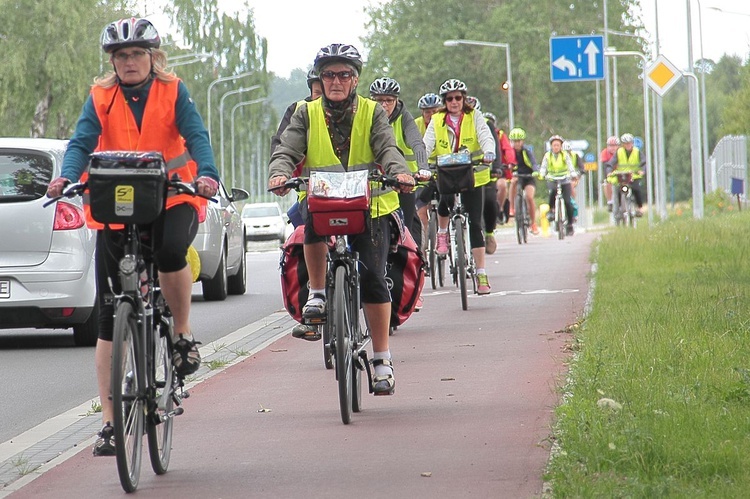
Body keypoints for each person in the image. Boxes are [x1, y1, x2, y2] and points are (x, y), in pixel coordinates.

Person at [46, 18, 219, 456]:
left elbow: (196, 136)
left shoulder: (173, 90)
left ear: (152, 58)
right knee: (107, 320)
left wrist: (208, 175)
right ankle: (108, 424)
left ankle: (180, 333)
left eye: (136, 54)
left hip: (173, 197)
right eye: (120, 56)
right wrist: (65, 178)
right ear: (113, 62)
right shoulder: (101, 96)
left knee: (169, 251)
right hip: (117, 204)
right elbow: (82, 142)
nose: (128, 62)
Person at [268, 43, 414, 395]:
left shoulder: (372, 112)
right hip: (323, 199)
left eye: (344, 74)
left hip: (371, 205)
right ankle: (317, 294)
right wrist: (279, 173)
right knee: (310, 225)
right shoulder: (305, 112)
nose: (336, 81)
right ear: (321, 78)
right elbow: (287, 147)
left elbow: (387, 147)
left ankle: (382, 359)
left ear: (355, 79)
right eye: (329, 74)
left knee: (374, 279)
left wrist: (400, 172)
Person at [423, 79, 496, 294]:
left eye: (457, 97)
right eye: (449, 98)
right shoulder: (437, 119)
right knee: (444, 201)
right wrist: (422, 164)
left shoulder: (475, 116)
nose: (454, 101)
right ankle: (443, 233)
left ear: (463, 99)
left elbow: (485, 136)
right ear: (444, 102)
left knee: (475, 223)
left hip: (473, 175)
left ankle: (481, 273)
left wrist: (489, 152)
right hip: (447, 173)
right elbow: (427, 143)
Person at [271, 67, 324, 341]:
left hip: (356, 196)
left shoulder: (358, 110)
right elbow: (282, 145)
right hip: (311, 194)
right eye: (319, 87)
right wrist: (279, 174)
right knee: (308, 243)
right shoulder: (299, 111)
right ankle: (312, 313)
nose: (325, 92)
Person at [369, 76, 427, 249]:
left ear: (396, 100)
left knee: (407, 234)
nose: (384, 105)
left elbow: (417, 143)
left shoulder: (404, 118)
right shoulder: (366, 116)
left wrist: (423, 167)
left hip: (404, 183)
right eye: (379, 100)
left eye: (389, 100)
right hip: (375, 185)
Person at [480, 111, 511, 254]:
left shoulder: (489, 126)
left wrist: (498, 167)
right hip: (463, 174)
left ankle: (489, 233)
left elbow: (499, 150)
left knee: (490, 200)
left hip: (487, 172)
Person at [539, 135, 577, 236]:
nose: (556, 147)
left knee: (568, 202)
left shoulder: (565, 155)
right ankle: (551, 210)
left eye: (558, 145)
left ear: (561, 146)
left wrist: (573, 174)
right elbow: (543, 166)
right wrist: (542, 174)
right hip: (552, 179)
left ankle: (570, 224)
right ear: (551, 146)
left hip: (564, 179)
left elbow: (570, 166)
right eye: (554, 145)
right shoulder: (548, 156)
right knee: (552, 193)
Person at [507, 127, 540, 235]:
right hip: (518, 176)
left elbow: (534, 162)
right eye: (514, 141)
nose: (516, 144)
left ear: (522, 141)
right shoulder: (510, 152)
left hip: (528, 177)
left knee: (529, 197)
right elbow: (507, 163)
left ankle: (533, 223)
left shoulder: (527, 151)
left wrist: (536, 170)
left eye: (518, 141)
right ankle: (512, 208)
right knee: (513, 182)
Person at [605, 133, 646, 216]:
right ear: (623, 144)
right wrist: (609, 172)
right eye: (626, 143)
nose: (628, 145)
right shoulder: (619, 152)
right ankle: (619, 208)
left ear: (632, 143)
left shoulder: (637, 152)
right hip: (622, 176)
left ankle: (640, 208)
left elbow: (644, 162)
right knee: (618, 191)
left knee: (636, 189)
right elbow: (611, 163)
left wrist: (642, 170)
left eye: (629, 143)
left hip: (633, 175)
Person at [600, 135, 620, 211]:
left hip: (620, 171)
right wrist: (607, 176)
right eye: (610, 146)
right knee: (607, 183)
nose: (613, 148)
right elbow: (604, 166)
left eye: (615, 145)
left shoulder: (621, 152)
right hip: (610, 172)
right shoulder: (604, 152)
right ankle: (610, 201)